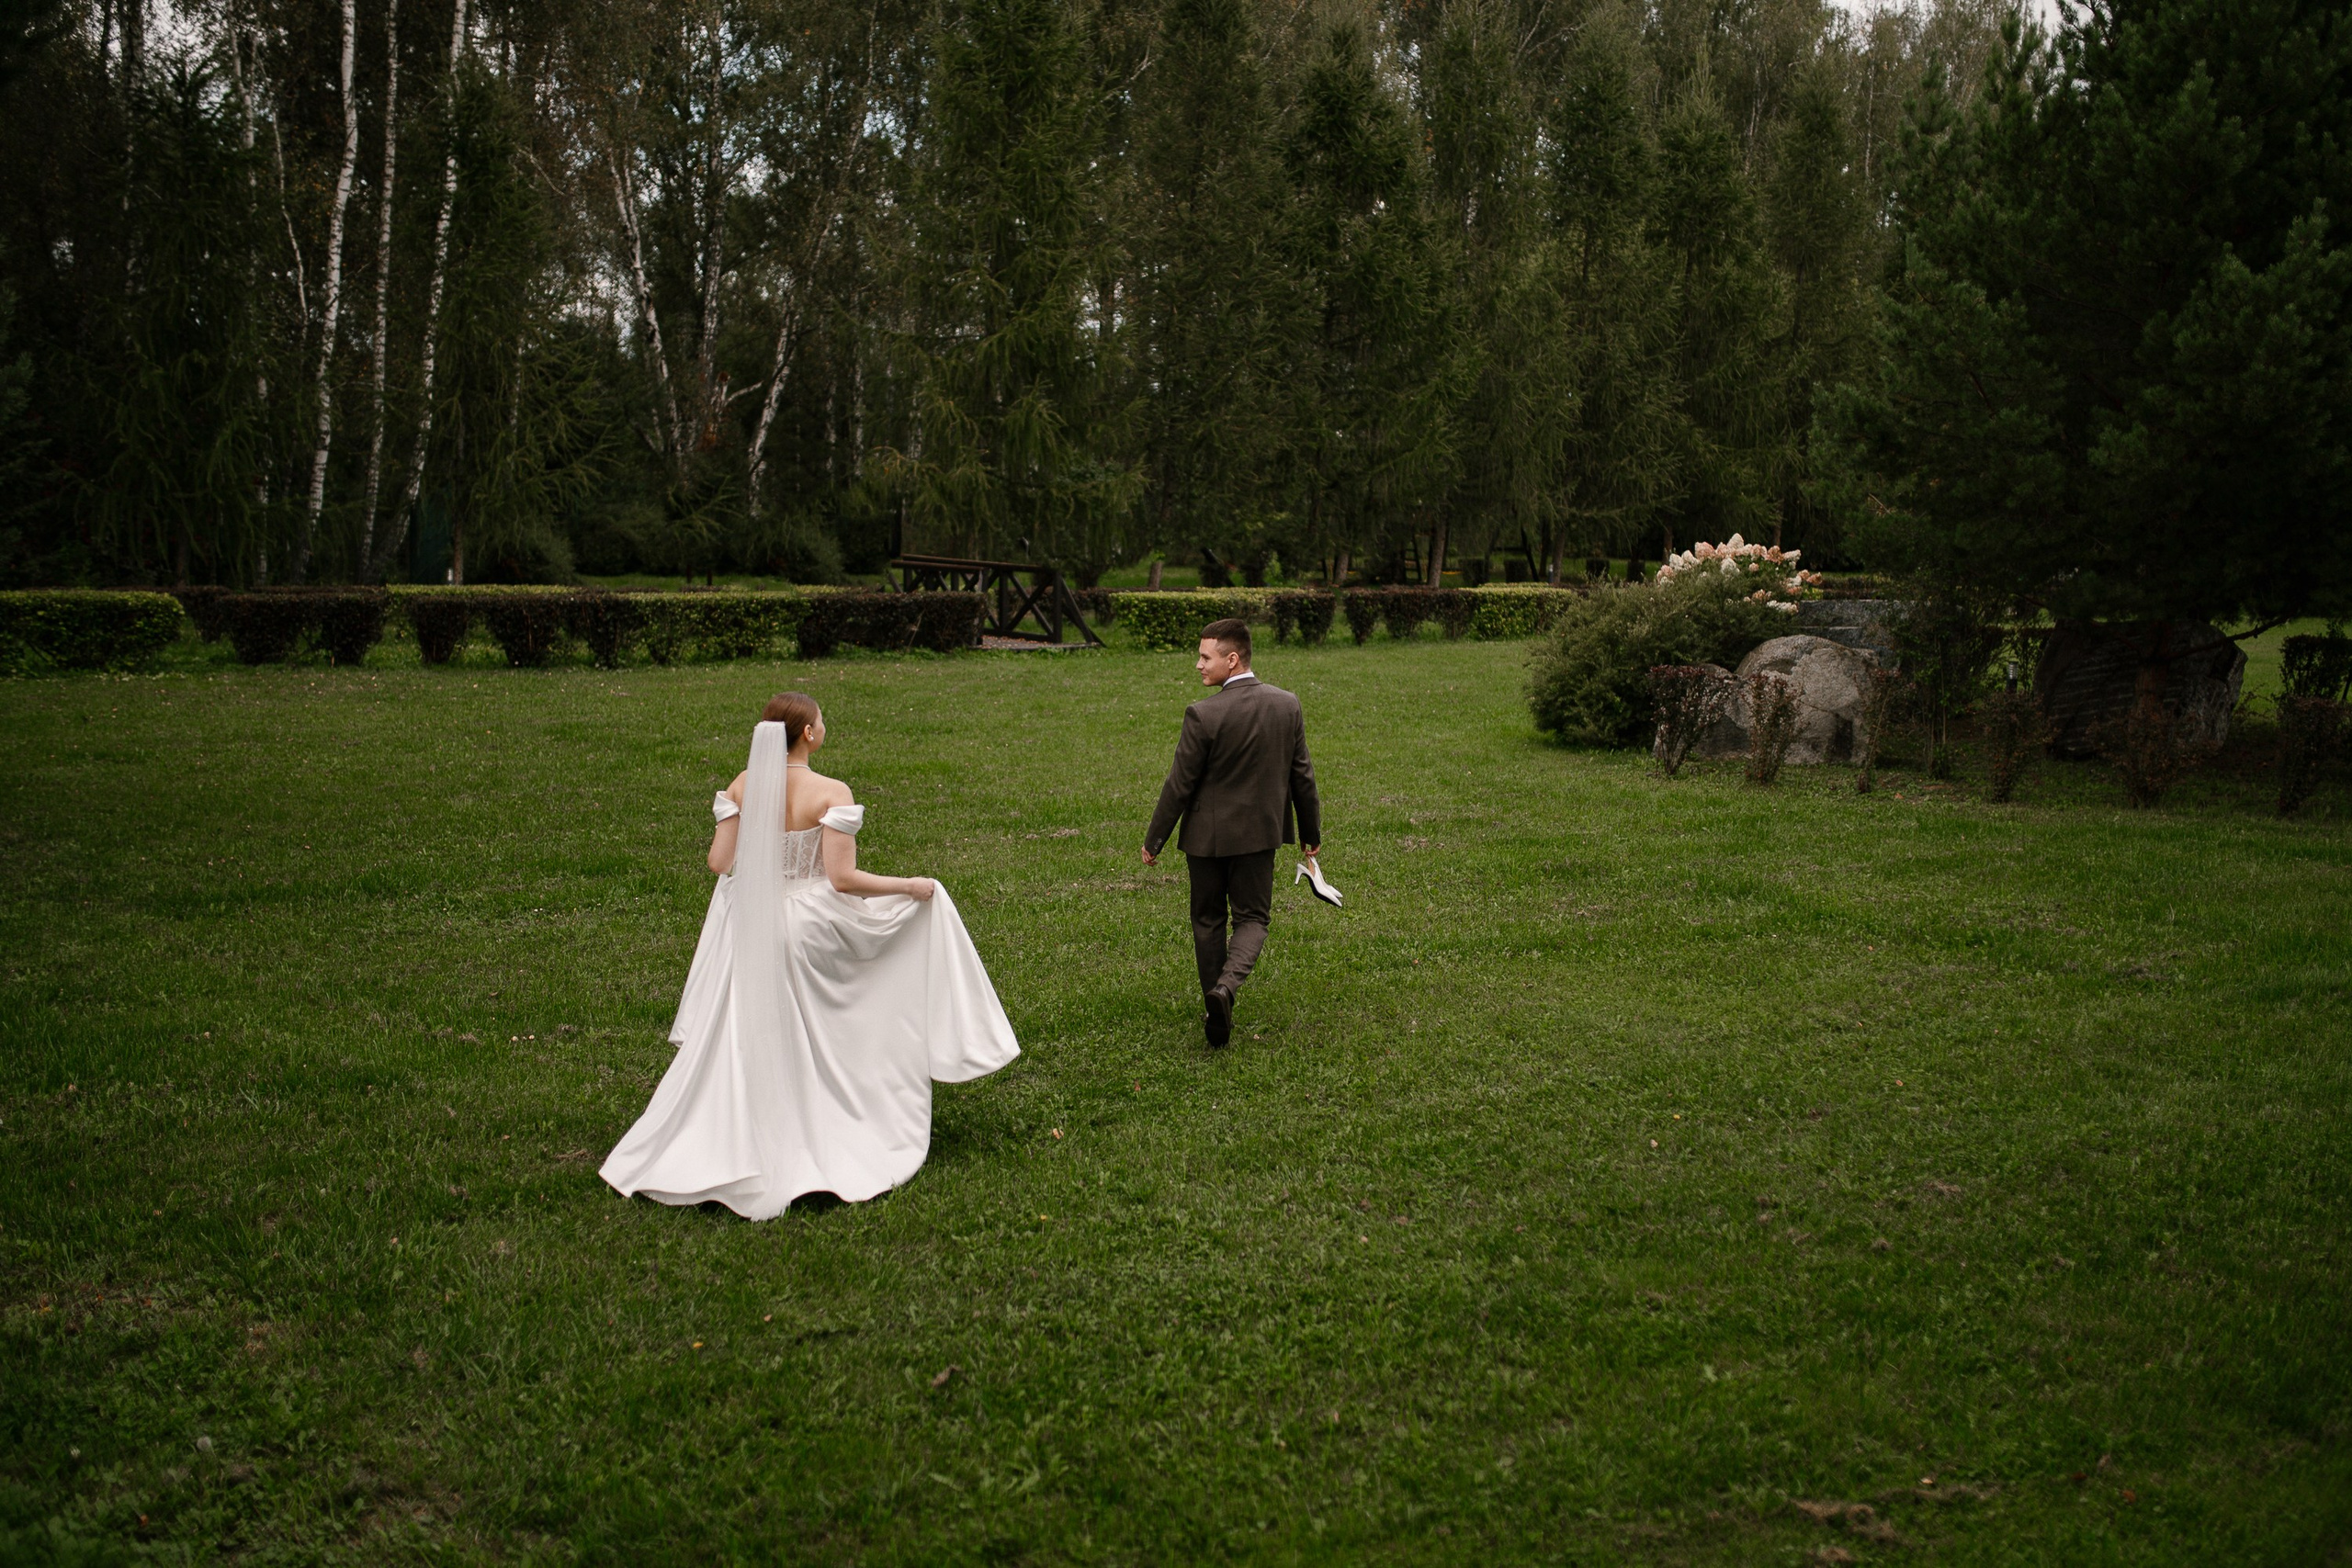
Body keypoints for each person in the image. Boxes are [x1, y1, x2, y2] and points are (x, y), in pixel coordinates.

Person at [601, 693, 1019, 1219]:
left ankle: (731, 1133)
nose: (824, 726)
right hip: (808, 924)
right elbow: (842, 880)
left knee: (751, 1026)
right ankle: (832, 1123)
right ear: (809, 735)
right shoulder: (830, 791)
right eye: (821, 721)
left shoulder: (742, 785)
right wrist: (910, 886)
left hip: (750, 927)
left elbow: (718, 863)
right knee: (849, 1003)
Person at [1143, 617, 1324, 1046]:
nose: (1198, 665)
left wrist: (1155, 840)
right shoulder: (1287, 704)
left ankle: (1213, 1007)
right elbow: (1303, 775)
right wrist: (1310, 832)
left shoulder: (1203, 715)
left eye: (1205, 657)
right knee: (1253, 919)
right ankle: (1225, 991)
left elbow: (1179, 784)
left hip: (1205, 840)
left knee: (1207, 920)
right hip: (1259, 836)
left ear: (1232, 658)